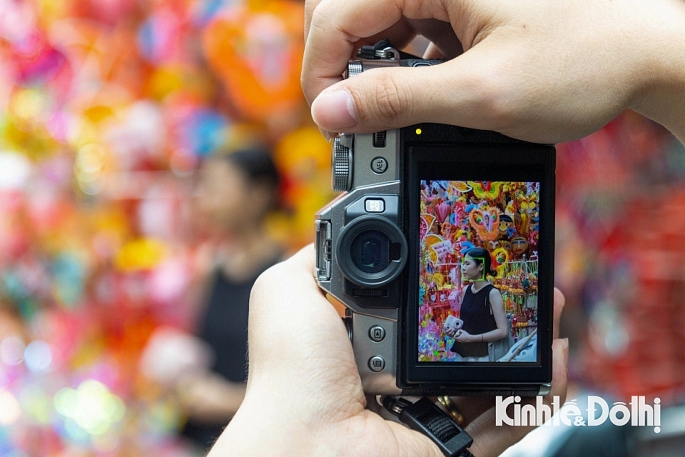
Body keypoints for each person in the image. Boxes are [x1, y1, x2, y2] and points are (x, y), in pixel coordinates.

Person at [208, 0, 684, 456]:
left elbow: (499, 332)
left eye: (471, 263)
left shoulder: (489, 292)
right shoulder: (461, 288)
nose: (465, 267)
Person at [144, 147, 284, 450]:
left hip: (254, 441)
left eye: (217, 188)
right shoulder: (210, 269)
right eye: (204, 188)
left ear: (259, 194)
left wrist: (227, 400)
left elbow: (292, 384)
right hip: (200, 439)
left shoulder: (285, 275)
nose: (205, 201)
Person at [446, 248, 508, 360]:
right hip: (461, 353)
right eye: (463, 264)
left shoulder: (492, 293)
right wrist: (454, 330)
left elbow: (503, 331)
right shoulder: (466, 290)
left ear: (480, 266)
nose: (463, 267)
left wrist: (471, 338)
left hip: (482, 356)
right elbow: (467, 322)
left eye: (467, 264)